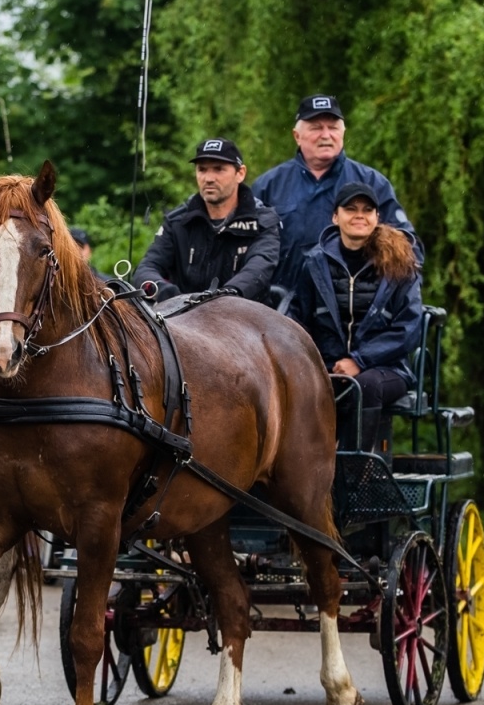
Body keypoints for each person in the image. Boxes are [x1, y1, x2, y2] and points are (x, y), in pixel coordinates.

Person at [251, 94, 418, 311]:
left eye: (333, 127)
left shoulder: (372, 183)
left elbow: (408, 248)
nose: (326, 135)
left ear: (343, 132)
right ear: (297, 135)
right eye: (316, 127)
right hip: (280, 311)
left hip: (351, 314)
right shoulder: (267, 186)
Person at [291, 183, 423, 451]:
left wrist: (360, 361)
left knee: (364, 386)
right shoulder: (314, 264)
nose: (359, 215)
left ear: (377, 217)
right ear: (335, 217)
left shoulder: (400, 263)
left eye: (367, 209)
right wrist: (312, 363)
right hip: (326, 365)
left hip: (387, 369)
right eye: (350, 209)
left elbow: (409, 328)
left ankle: (355, 471)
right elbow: (297, 318)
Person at [132, 137, 281, 302]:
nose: (209, 178)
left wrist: (221, 298)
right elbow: (145, 269)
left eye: (219, 169)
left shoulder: (262, 222)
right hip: (181, 319)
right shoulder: (178, 221)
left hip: (245, 320)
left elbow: (256, 273)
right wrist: (170, 296)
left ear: (240, 173)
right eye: (202, 169)